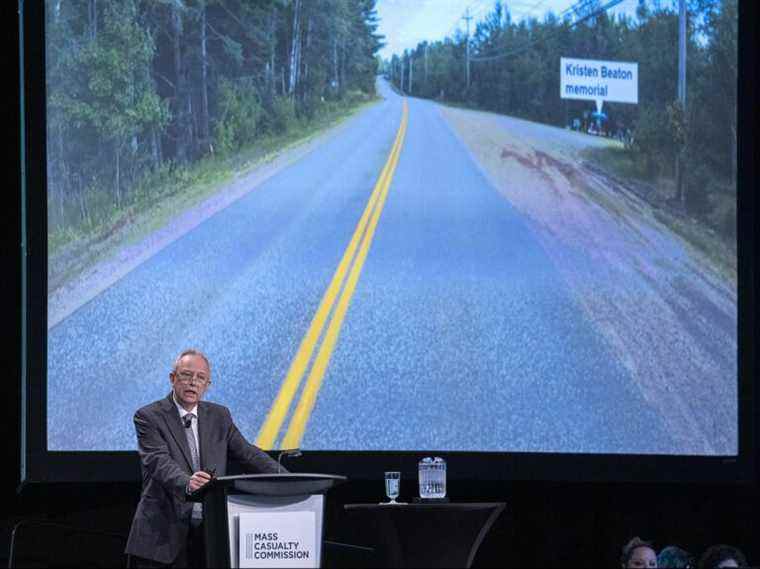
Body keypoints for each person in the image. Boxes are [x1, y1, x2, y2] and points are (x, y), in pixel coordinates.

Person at [125, 349, 283, 568]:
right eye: (186, 375)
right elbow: (158, 461)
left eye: (200, 378)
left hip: (210, 535)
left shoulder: (219, 416)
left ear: (208, 384)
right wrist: (187, 483)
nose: (193, 382)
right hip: (161, 536)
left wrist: (286, 479)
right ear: (173, 378)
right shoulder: (149, 416)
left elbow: (248, 453)